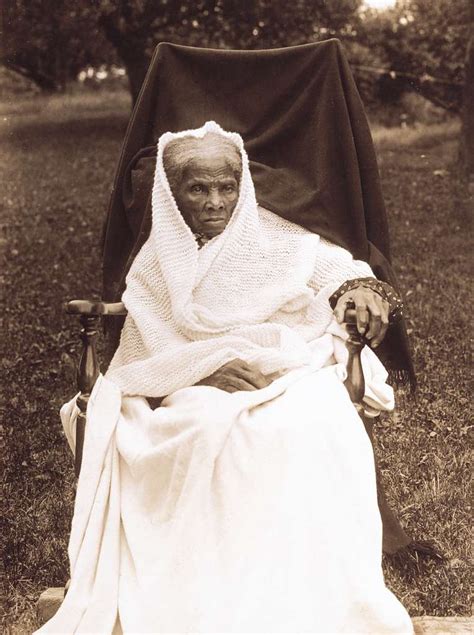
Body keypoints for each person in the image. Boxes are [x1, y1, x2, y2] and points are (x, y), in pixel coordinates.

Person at [38, 121, 413, 634]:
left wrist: (362, 289)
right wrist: (200, 369)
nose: (216, 201)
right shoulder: (156, 260)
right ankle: (205, 592)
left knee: (309, 423)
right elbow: (145, 350)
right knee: (196, 429)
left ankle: (297, 588)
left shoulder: (273, 233)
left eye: (226, 186)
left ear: (242, 185)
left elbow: (335, 268)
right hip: (189, 384)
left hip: (285, 366)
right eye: (198, 188)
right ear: (173, 194)